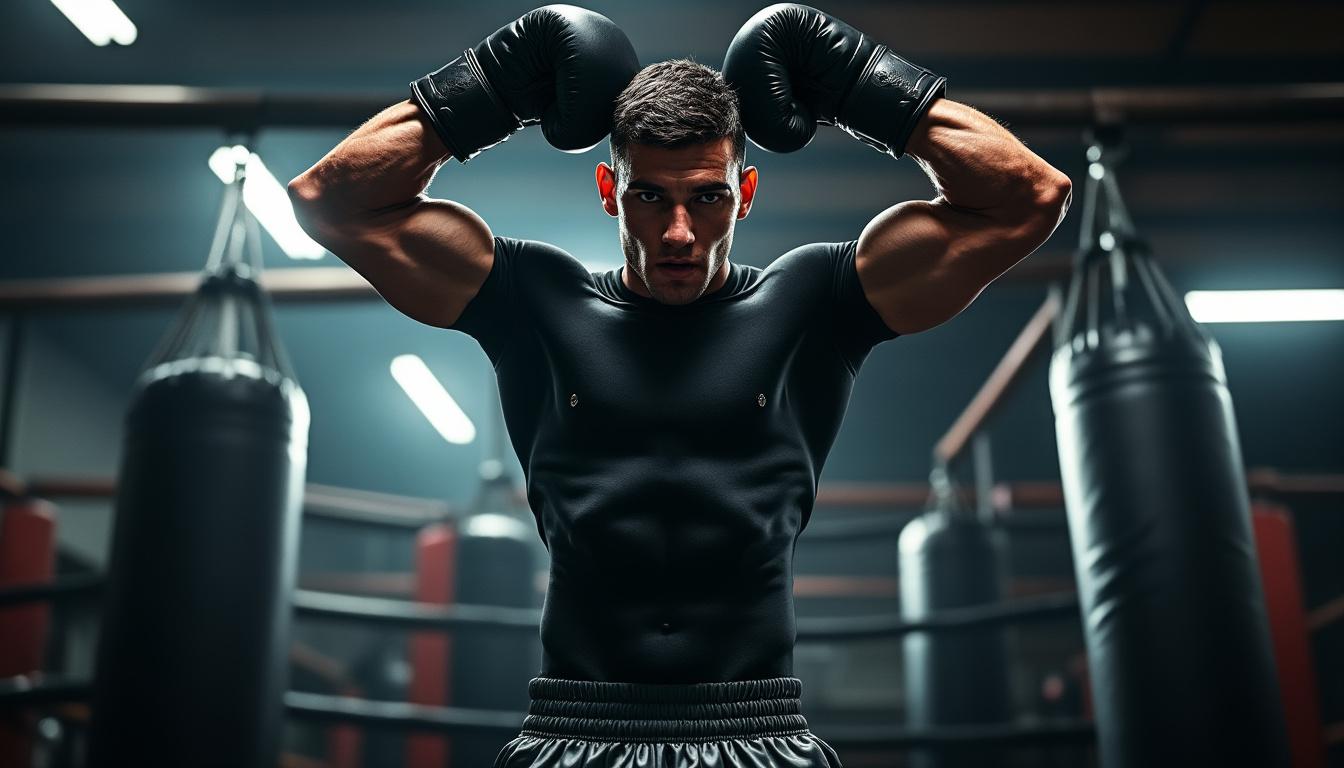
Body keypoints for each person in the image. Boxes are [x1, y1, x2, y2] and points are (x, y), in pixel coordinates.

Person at [288, 5, 1071, 766]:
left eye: (708, 196)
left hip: (757, 729)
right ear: (607, 190)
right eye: (648, 196)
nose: (677, 234)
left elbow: (1029, 195)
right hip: (575, 725)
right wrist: (488, 90)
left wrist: (864, 85)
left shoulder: (814, 302)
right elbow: (330, 199)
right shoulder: (533, 298)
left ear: (746, 193)